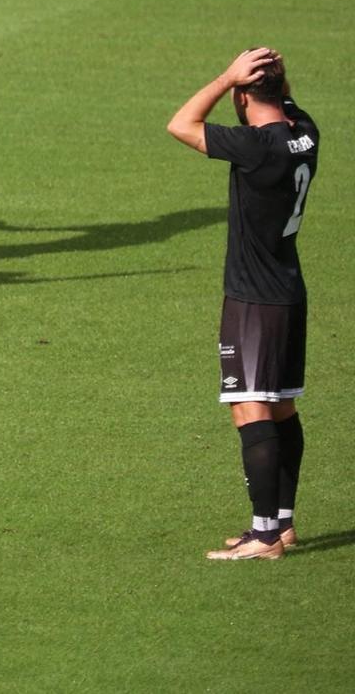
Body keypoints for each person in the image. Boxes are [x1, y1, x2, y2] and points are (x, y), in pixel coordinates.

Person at [167, 48, 317, 562]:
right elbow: (285, 107)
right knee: (281, 406)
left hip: (254, 299)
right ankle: (283, 524)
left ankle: (263, 535)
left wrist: (226, 75)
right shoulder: (305, 135)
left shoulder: (254, 147)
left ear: (243, 94)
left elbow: (181, 124)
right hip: (289, 291)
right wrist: (260, 82)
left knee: (250, 405)